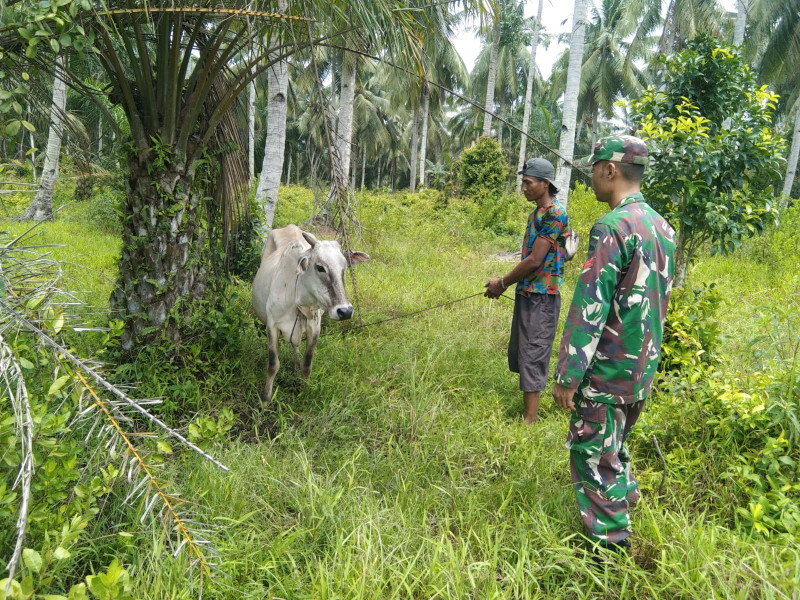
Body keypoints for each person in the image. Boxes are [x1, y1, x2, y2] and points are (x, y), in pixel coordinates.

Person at [551, 135, 676, 551]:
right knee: (615, 447)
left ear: (610, 169)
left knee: (593, 458)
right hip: (640, 369)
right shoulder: (662, 227)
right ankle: (628, 502)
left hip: (606, 372)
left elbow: (590, 307)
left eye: (593, 169)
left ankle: (611, 551)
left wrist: (568, 375)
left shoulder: (613, 227)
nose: (591, 177)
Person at [484, 157, 569, 425]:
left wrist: (502, 283)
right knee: (523, 351)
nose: (524, 188)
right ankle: (528, 413)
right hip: (527, 292)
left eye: (528, 183)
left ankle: (529, 422)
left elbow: (534, 260)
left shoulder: (555, 213)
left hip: (542, 296)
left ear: (545, 183)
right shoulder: (535, 215)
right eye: (523, 183)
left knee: (534, 352)